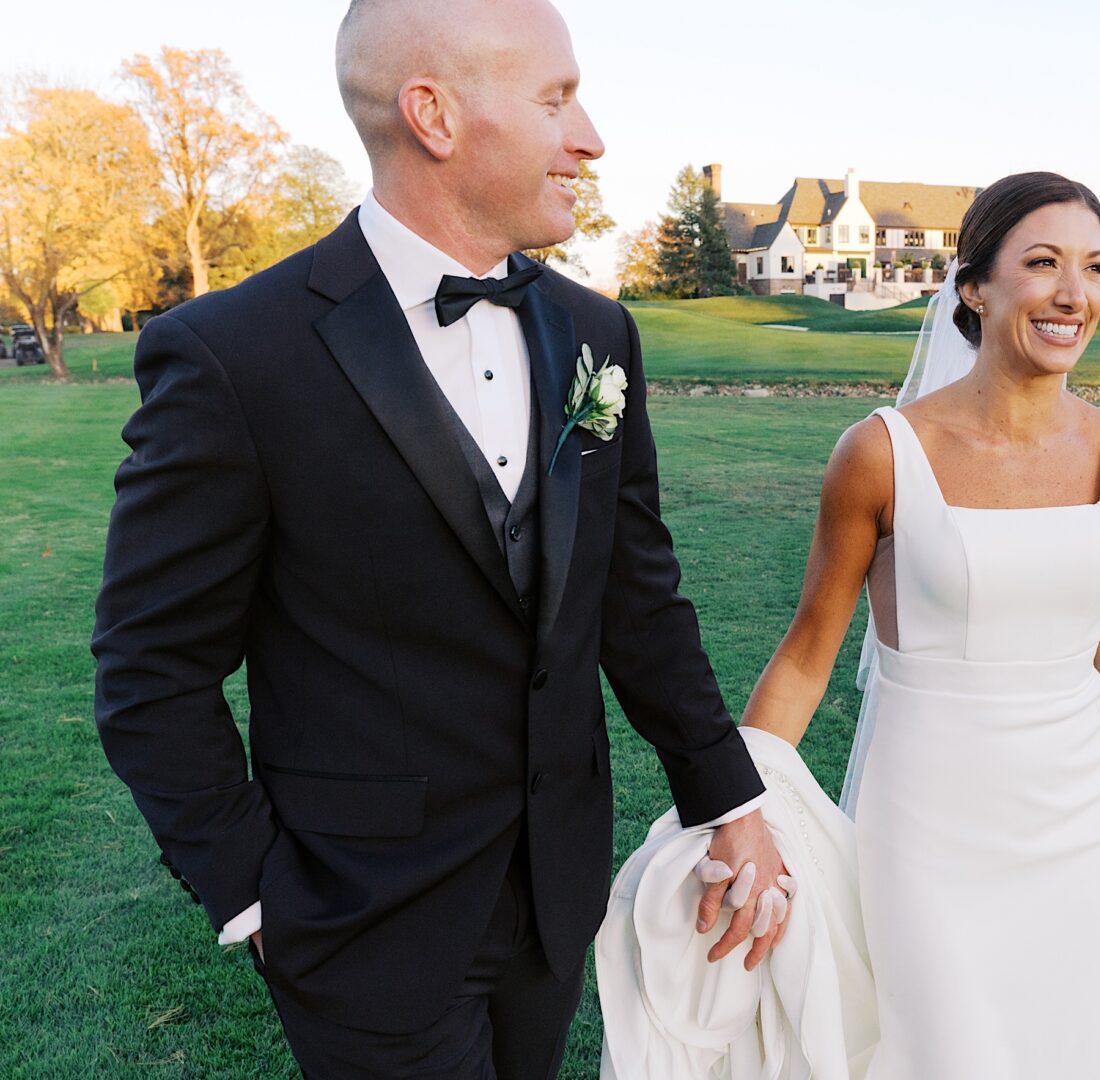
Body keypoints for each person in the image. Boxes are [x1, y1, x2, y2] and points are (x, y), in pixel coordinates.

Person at [90, 1, 788, 1075]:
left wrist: (728, 799)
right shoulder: (235, 356)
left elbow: (635, 597)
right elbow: (151, 670)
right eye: (555, 99)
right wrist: (254, 894)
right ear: (434, 114)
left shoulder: (599, 335)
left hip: (555, 903)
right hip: (359, 923)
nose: (590, 136)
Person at [735, 172, 1100, 1077]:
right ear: (974, 287)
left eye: (1095, 267)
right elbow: (805, 657)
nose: (1075, 294)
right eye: (1043, 263)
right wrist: (739, 806)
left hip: (1074, 822)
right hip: (928, 825)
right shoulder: (880, 453)